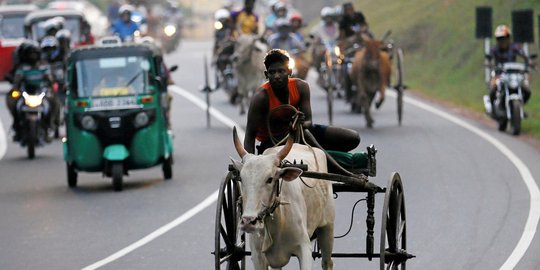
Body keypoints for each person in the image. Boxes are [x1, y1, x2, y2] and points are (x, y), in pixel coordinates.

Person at [244, 49, 360, 154]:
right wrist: (248, 161)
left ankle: (326, 155)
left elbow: (309, 121)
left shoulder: (301, 87)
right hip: (272, 142)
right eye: (272, 72)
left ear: (289, 71)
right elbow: (250, 135)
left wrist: (301, 124)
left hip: (301, 133)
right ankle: (323, 153)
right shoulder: (261, 97)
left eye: (281, 71)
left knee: (353, 138)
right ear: (266, 75)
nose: (277, 76)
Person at [6, 41, 55, 141]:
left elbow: (50, 79)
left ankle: (50, 125)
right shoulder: (22, 68)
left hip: (40, 93)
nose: (32, 56)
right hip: (26, 93)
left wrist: (50, 81)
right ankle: (16, 125)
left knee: (54, 102)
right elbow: (17, 81)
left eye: (34, 54)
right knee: (13, 102)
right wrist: (16, 87)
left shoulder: (43, 66)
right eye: (30, 54)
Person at [487, 24, 531, 105]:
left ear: (508, 38)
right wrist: (490, 63)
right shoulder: (495, 49)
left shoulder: (514, 47)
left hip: (513, 74)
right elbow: (489, 57)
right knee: (494, 88)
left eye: (504, 38)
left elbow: (523, 54)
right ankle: (493, 106)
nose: (502, 41)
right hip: (499, 74)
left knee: (527, 90)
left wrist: (528, 61)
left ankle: (521, 105)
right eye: (500, 39)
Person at [311, 7, 339, 86]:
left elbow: (341, 35)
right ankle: (320, 72)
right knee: (318, 54)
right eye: (327, 17)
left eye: (330, 17)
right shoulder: (319, 28)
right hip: (325, 50)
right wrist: (316, 40)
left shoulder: (337, 26)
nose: (329, 19)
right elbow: (313, 36)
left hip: (336, 49)